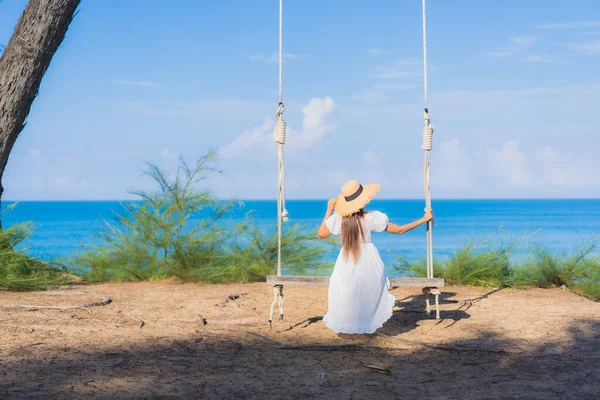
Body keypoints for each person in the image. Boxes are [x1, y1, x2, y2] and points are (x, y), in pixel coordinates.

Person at [317, 179, 434, 334]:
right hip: (368, 259)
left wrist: (329, 210)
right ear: (363, 200)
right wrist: (424, 219)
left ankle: (351, 325)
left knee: (348, 291)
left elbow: (321, 234)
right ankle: (365, 324)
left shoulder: (338, 219)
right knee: (369, 290)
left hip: (347, 260)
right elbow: (400, 230)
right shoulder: (371, 218)